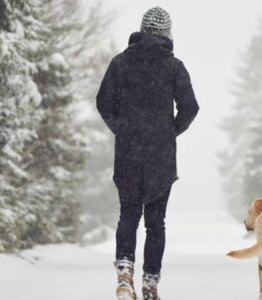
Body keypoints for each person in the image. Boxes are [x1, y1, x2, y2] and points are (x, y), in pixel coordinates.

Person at [96, 6, 199, 300]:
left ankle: (124, 273)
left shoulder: (120, 62)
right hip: (160, 157)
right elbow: (190, 107)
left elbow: (103, 102)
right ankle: (150, 283)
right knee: (156, 222)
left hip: (128, 152)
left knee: (128, 214)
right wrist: (169, 132)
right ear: (167, 34)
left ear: (141, 31)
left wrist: (123, 129)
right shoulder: (174, 66)